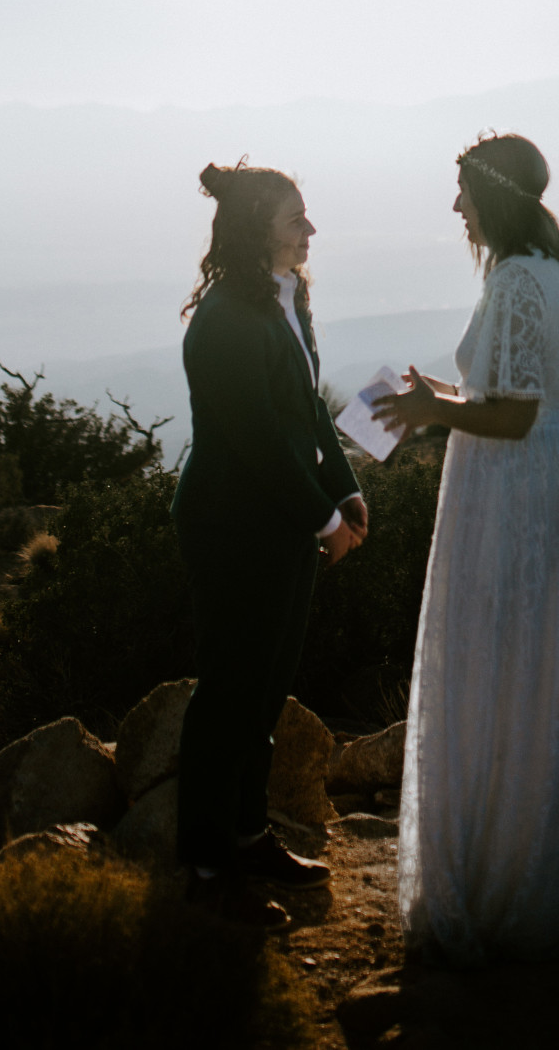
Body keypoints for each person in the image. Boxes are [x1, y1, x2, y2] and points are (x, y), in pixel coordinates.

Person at [375, 132, 559, 965]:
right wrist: (440, 395)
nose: (455, 208)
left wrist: (431, 415)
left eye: (462, 191)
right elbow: (528, 397)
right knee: (540, 665)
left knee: (496, 665)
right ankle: (539, 856)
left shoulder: (516, 279)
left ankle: (497, 874)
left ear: (492, 194)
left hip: (513, 494)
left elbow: (511, 417)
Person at [172, 159, 367, 922]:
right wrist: (324, 519)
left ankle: (248, 837)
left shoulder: (289, 298)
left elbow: (307, 410)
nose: (311, 230)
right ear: (257, 230)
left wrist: (344, 484)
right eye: (295, 220)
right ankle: (207, 872)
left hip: (283, 514)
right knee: (227, 693)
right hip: (232, 523)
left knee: (264, 690)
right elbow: (255, 438)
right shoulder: (223, 321)